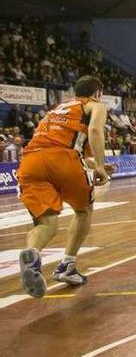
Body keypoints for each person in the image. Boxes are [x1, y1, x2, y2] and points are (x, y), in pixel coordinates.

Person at [17, 76, 112, 298]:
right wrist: (99, 167)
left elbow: (71, 147)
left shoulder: (57, 110)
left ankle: (32, 253)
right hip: (61, 159)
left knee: (46, 223)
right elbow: (95, 132)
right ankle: (67, 265)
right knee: (84, 210)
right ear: (97, 93)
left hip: (31, 162)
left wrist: (97, 163)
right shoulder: (94, 105)